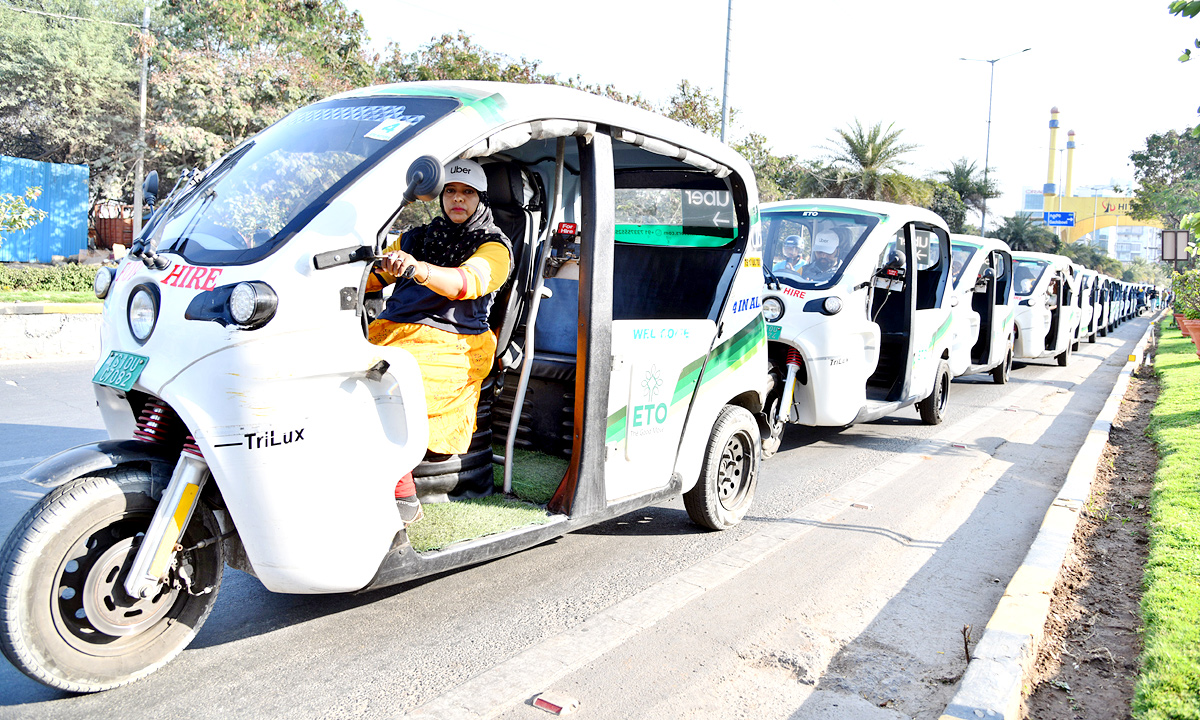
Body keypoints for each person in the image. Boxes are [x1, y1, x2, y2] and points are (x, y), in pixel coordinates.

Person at [367, 158, 513, 525]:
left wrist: (417, 268)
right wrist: (380, 268)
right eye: (450, 191)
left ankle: (402, 496)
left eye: (467, 193)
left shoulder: (495, 246)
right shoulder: (414, 237)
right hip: (393, 330)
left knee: (390, 385)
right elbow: (367, 282)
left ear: (481, 199)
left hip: (457, 341)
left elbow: (468, 283)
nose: (457, 200)